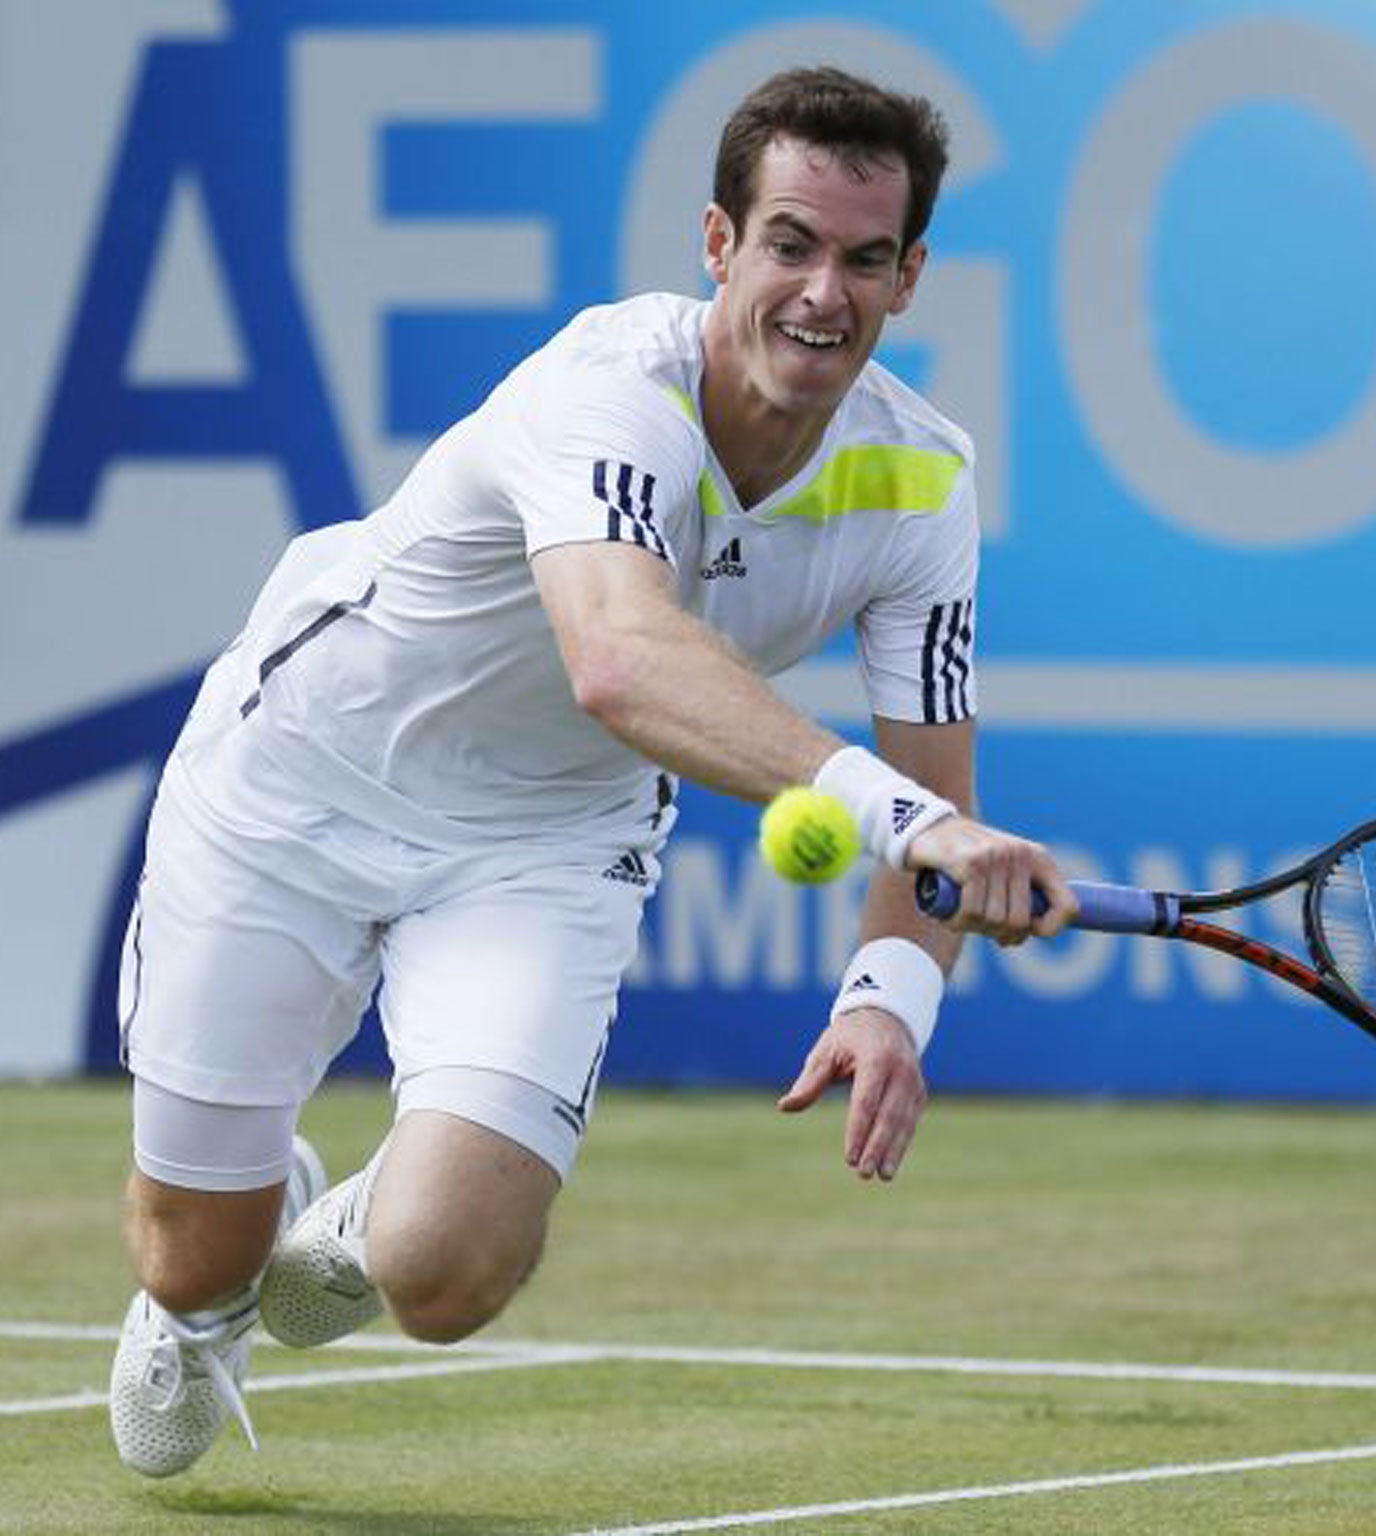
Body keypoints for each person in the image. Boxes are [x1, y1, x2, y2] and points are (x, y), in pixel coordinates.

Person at [107, 64, 1076, 1477]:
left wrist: (890, 1000)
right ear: (717, 245)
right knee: (195, 1256)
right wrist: (906, 820)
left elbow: (939, 791)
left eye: (866, 259)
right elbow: (621, 660)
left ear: (911, 275)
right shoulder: (608, 389)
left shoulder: (924, 480)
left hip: (545, 841)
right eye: (790, 245)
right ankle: (201, 1305)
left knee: (445, 1276)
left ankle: (377, 1217)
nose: (824, 292)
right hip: (297, 783)